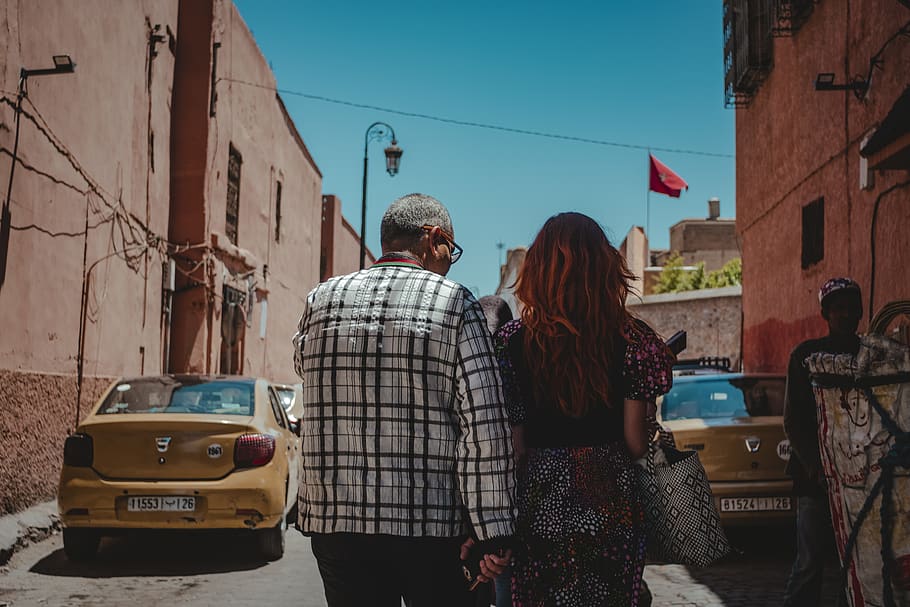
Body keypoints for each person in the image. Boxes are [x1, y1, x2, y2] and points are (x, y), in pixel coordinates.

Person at [292, 193, 515, 607]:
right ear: (433, 239)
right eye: (451, 249)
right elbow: (483, 426)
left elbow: (305, 370)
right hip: (430, 529)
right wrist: (492, 529)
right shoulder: (455, 304)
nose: (450, 262)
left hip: (336, 525)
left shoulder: (319, 300)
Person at [493, 212, 673, 606]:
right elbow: (635, 443)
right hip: (610, 499)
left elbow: (516, 446)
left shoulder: (511, 342)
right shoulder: (633, 339)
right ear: (604, 269)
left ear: (537, 270)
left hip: (538, 502)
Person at [782, 277, 863, 607]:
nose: (845, 315)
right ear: (825, 314)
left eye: (851, 309)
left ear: (860, 312)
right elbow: (794, 421)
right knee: (809, 562)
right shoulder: (806, 356)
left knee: (861, 561)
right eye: (838, 309)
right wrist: (816, 466)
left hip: (862, 476)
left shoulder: (869, 354)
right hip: (815, 480)